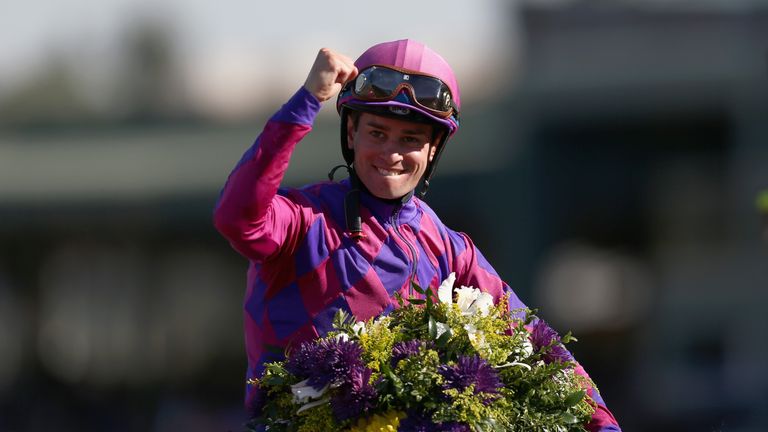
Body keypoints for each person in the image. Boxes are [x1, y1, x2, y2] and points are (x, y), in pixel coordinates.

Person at [213, 39, 621, 430]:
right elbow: (236, 216)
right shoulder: (302, 220)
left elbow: (537, 343)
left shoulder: (450, 248)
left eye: (410, 139)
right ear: (351, 134)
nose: (391, 153)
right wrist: (306, 100)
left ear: (432, 151)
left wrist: (601, 423)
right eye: (377, 133)